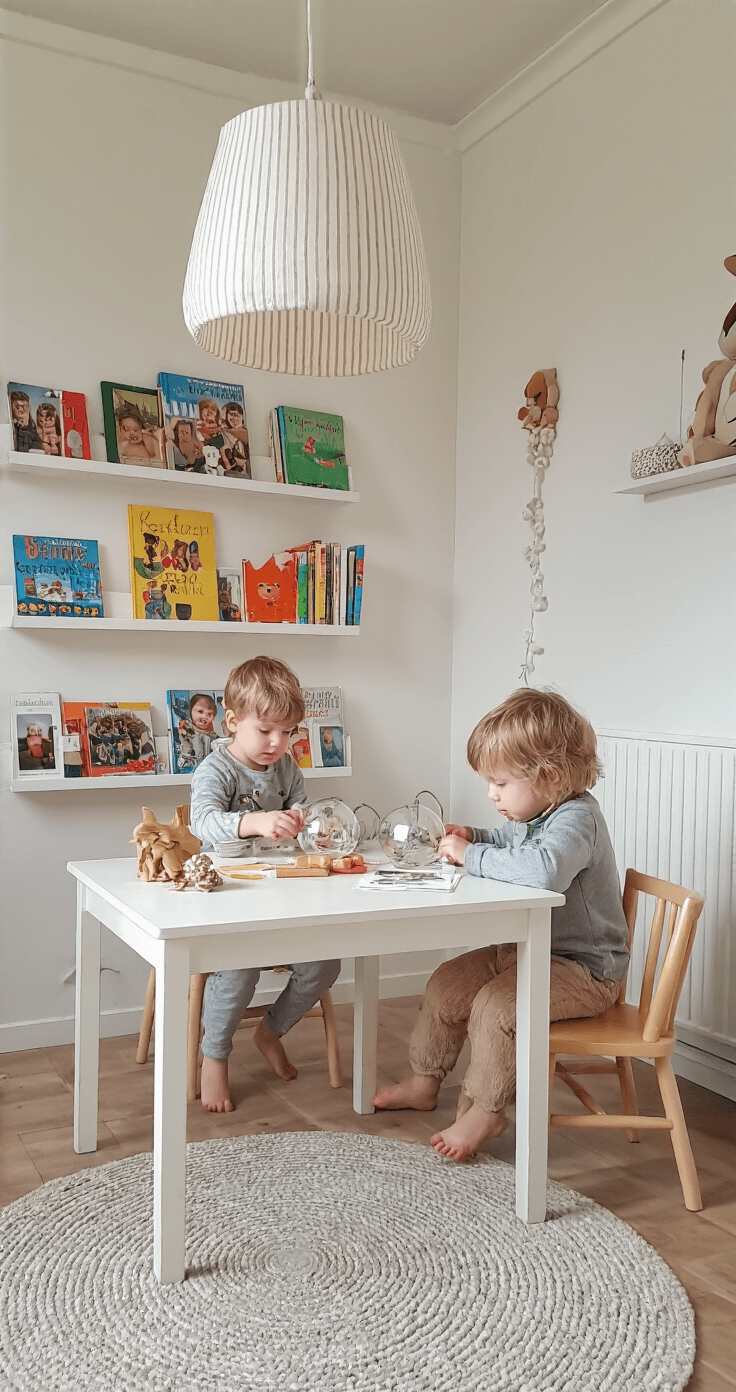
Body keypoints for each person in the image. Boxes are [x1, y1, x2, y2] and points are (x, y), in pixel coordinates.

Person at [372, 688, 630, 1162]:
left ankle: (488, 1108)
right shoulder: (538, 813)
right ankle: (425, 1079)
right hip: (530, 951)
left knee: (495, 1008)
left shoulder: (576, 820)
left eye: (500, 783)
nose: (491, 794)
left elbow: (541, 870)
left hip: (585, 972)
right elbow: (510, 840)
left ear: (549, 777)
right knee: (447, 984)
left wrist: (472, 856)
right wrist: (476, 836)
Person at [190, 655, 341, 1113]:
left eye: (288, 731)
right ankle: (213, 1056)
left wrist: (315, 828)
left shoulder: (287, 767)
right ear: (233, 721)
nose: (278, 742)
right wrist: (254, 822)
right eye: (266, 730)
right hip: (228, 895)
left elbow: (304, 814)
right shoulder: (215, 771)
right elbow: (203, 822)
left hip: (283, 892)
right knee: (240, 970)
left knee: (324, 964)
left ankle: (270, 1031)